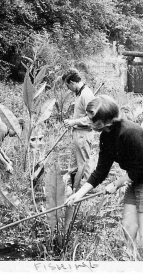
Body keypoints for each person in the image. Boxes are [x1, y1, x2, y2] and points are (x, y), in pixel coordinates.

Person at [65, 95, 143, 261]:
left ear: (106, 120)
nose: (88, 122)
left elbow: (141, 168)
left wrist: (117, 183)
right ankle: (132, 266)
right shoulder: (106, 136)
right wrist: (80, 194)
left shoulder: (131, 132)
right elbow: (101, 170)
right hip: (136, 180)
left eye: (92, 120)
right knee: (128, 229)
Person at [62, 68, 95, 232]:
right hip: (77, 134)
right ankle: (73, 189)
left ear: (72, 82)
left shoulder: (86, 94)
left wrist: (73, 122)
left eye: (68, 86)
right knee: (74, 165)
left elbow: (92, 119)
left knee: (83, 165)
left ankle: (82, 192)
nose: (68, 89)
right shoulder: (79, 94)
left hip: (83, 134)